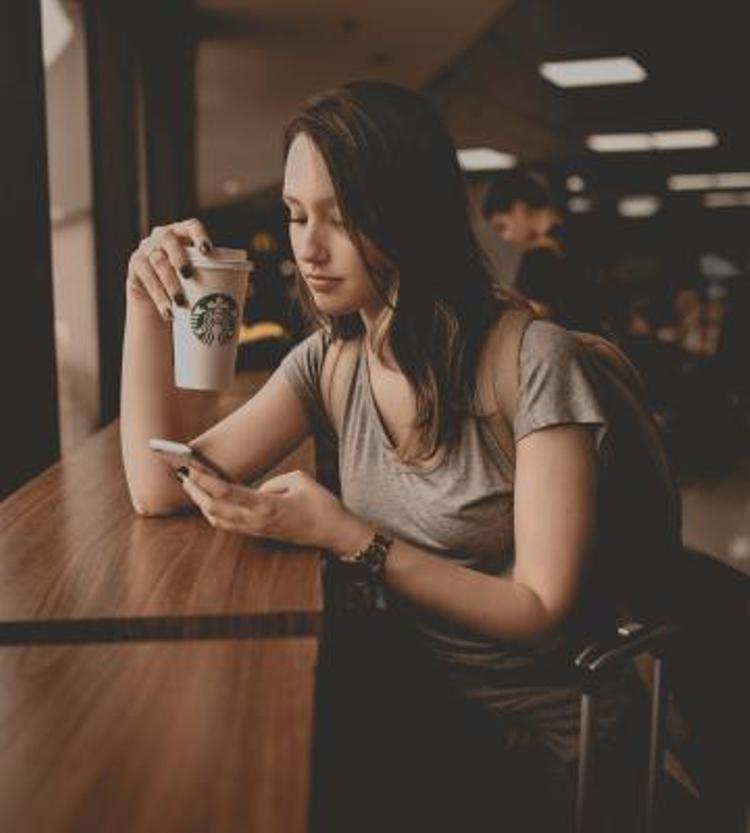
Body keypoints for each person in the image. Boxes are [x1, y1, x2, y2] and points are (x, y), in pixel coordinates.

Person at [121, 82, 642, 831]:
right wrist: (144, 303)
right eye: (298, 215)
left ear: (411, 212)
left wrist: (349, 536)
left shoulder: (533, 361)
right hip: (416, 700)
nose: (308, 246)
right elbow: (157, 485)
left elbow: (538, 610)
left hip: (544, 738)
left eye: (343, 215)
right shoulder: (330, 361)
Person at [482, 169, 602, 333]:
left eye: (502, 227)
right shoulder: (583, 236)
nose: (505, 238)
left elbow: (529, 317)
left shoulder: (538, 257)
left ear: (520, 209)